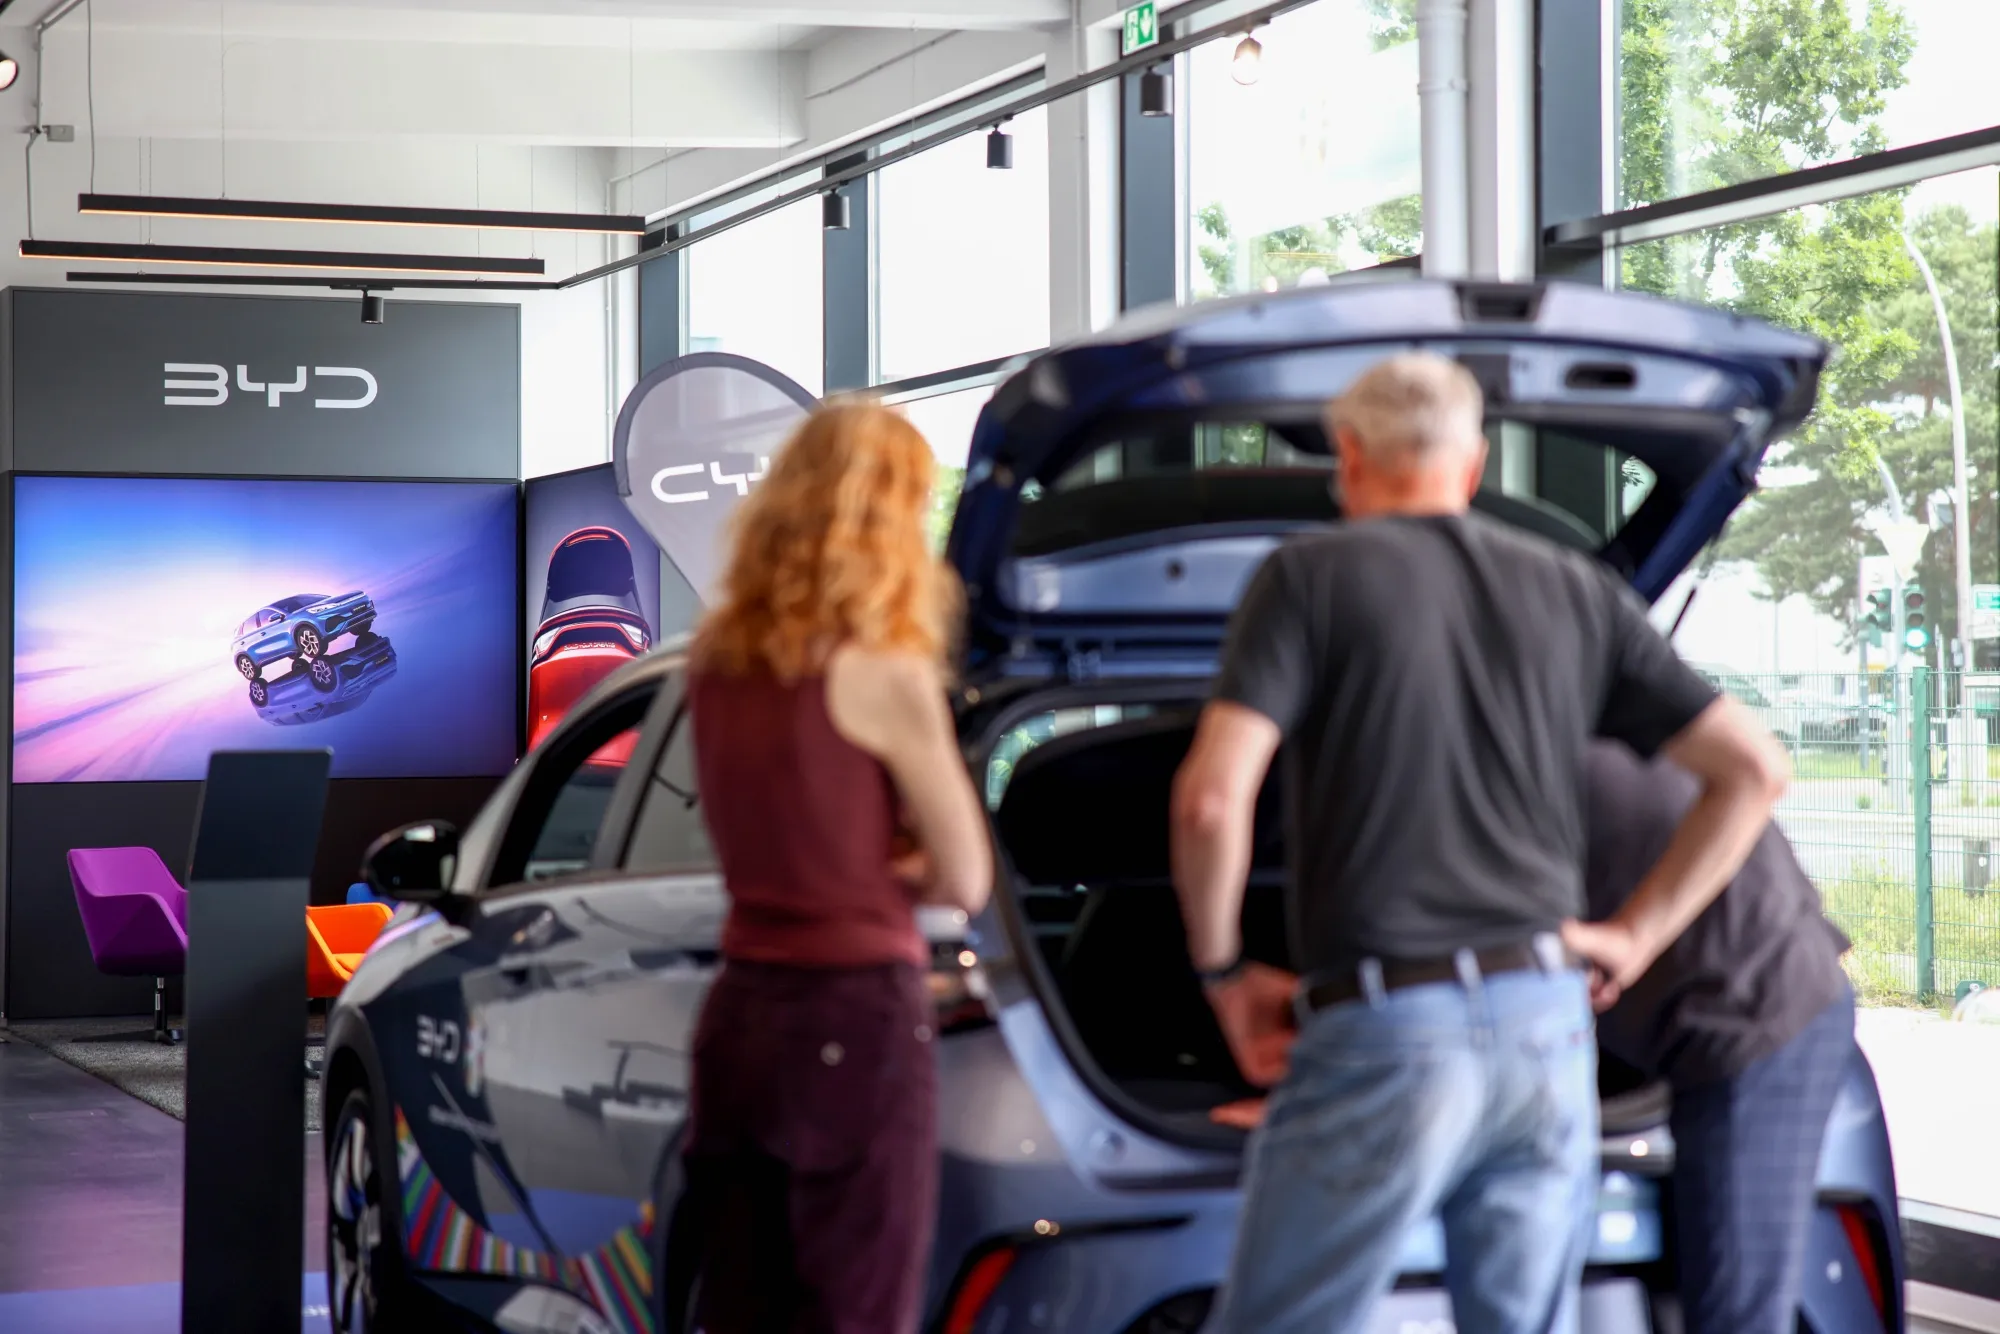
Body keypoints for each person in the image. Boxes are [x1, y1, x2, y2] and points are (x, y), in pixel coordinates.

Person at [1169, 352, 1791, 1334]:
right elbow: (1753, 770)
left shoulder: (1307, 576)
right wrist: (1632, 936)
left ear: (1348, 454)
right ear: (1474, 462)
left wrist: (1221, 972)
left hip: (1389, 1027)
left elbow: (1210, 800)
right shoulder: (1574, 587)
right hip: (1547, 1027)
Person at [673, 400, 992, 1334]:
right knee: (856, 1309)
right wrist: (899, 857)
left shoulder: (714, 659)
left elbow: (778, 824)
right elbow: (965, 877)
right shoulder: (885, 671)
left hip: (739, 1016)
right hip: (854, 1017)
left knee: (745, 1306)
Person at [1583, 739, 1856, 1334]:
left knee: (1734, 1311)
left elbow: (1760, 771)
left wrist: (1630, 937)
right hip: (1672, 1011)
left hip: (1754, 1007)